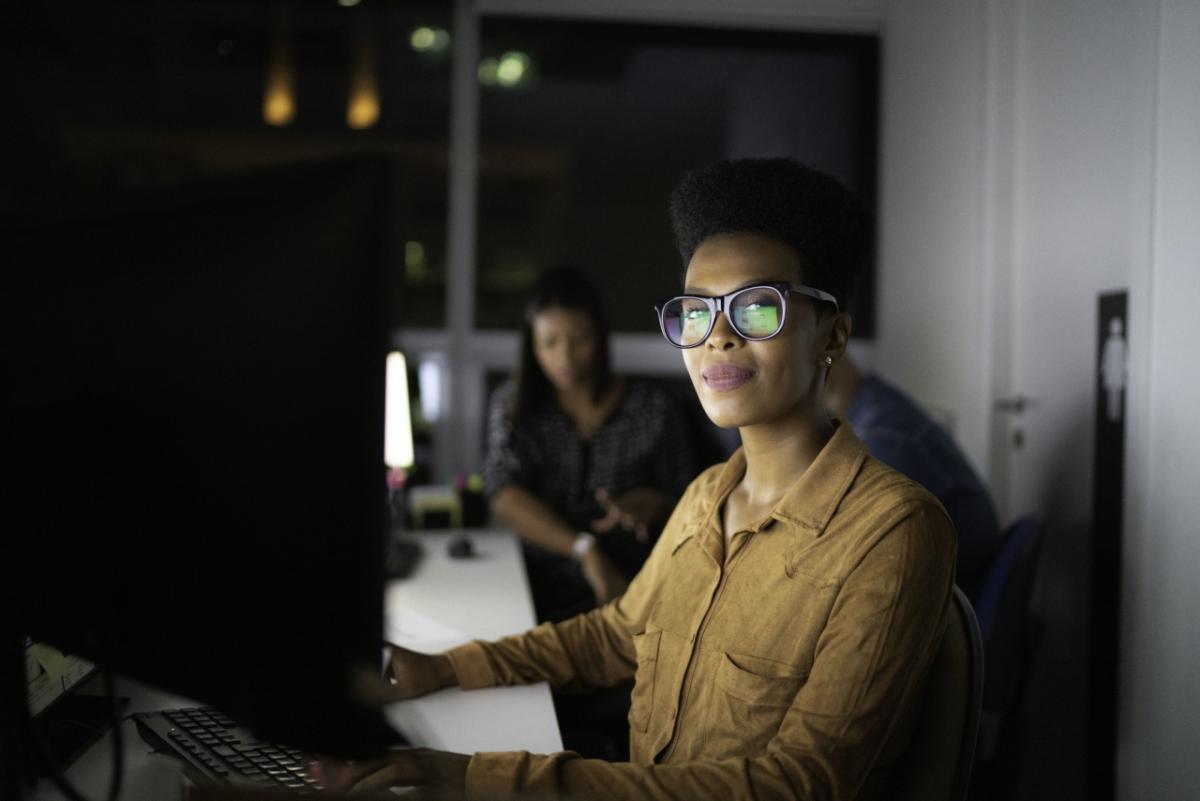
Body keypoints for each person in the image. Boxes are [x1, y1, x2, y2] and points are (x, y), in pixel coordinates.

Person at [321, 159, 956, 801]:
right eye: (695, 313)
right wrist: (445, 668)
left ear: (834, 333)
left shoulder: (894, 533)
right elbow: (615, 633)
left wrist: (474, 775)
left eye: (757, 309)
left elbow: (797, 785)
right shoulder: (709, 494)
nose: (718, 339)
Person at [481, 266, 703, 625]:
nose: (565, 357)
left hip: (636, 590)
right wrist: (584, 549)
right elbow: (503, 492)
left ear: (600, 336)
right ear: (531, 345)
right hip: (533, 589)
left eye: (579, 338)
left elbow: (693, 498)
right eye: (550, 342)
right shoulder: (514, 407)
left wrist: (654, 503)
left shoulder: (652, 408)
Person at [825, 353, 1002, 600]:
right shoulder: (878, 403)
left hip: (950, 603)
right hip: (958, 588)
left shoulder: (883, 444)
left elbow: (859, 569)